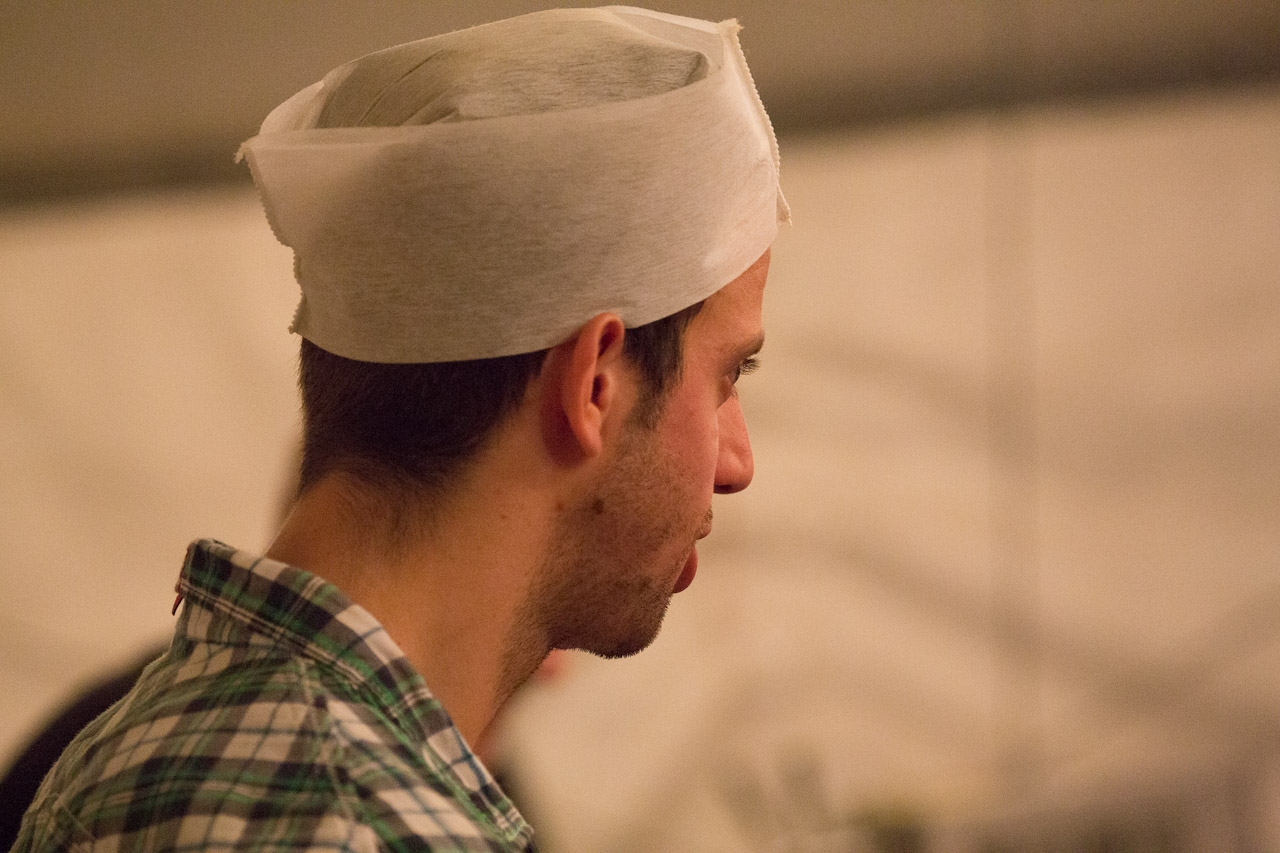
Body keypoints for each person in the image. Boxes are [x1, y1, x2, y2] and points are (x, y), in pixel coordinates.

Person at [13, 6, 788, 851]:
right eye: (728, 375)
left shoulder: (115, 755)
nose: (738, 461)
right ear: (593, 384)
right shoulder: (368, 826)